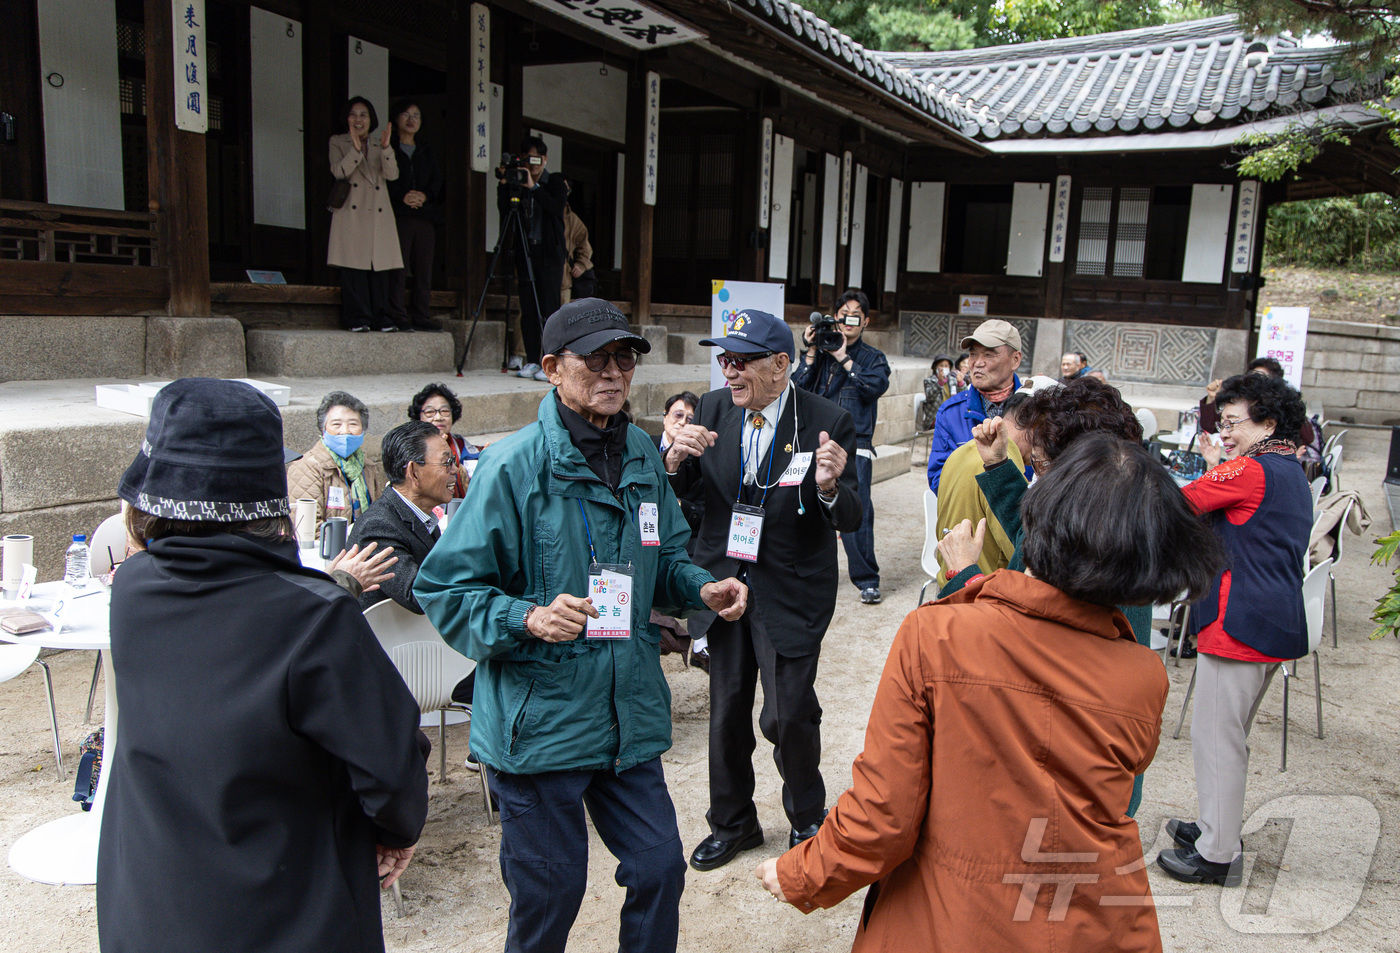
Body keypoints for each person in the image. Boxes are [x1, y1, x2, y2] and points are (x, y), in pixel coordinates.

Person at [756, 434, 1221, 951]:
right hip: (1092, 919)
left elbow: (884, 814)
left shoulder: (936, 635)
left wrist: (801, 873)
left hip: (954, 919)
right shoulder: (1143, 674)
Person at [413, 299, 748, 953]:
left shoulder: (645, 460)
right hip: (540, 726)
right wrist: (527, 616)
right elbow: (444, 588)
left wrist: (700, 585)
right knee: (550, 898)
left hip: (626, 714)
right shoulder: (514, 468)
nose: (613, 370)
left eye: (623, 356)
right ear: (550, 369)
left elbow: (669, 557)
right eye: (594, 357)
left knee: (659, 868)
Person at [97, 379, 429, 953]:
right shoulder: (312, 617)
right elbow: (390, 758)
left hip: (151, 895)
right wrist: (396, 831)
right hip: (284, 907)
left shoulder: (133, 590)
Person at [663, 308, 862, 872]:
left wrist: (827, 488)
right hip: (724, 582)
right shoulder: (713, 408)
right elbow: (695, 488)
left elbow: (850, 514)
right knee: (726, 712)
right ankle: (733, 823)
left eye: (741, 360)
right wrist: (677, 460)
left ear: (781, 364)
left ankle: (806, 816)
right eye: (723, 358)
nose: (728, 370)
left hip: (791, 587)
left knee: (788, 713)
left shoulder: (827, 420)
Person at [1158, 373, 1313, 887]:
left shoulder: (1250, 469)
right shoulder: (1291, 469)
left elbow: (1179, 504)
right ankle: (1211, 827)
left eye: (1232, 423)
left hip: (1240, 620)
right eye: (1221, 422)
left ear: (1268, 422)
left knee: (1216, 739)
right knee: (1229, 735)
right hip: (1272, 617)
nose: (1224, 432)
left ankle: (1218, 854)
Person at [792, 289, 891, 603]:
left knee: (855, 512)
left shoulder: (873, 358)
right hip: (811, 442)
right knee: (801, 508)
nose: (847, 322)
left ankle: (866, 579)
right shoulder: (818, 353)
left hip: (855, 445)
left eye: (854, 316)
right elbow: (795, 389)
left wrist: (843, 357)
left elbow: (872, 388)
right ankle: (803, 576)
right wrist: (810, 353)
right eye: (842, 316)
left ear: (865, 321)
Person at [933, 382, 1045, 578]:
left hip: (951, 577)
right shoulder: (1003, 463)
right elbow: (1019, 552)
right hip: (980, 587)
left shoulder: (963, 450)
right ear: (1037, 425)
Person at [346, 420, 455, 614]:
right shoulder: (378, 526)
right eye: (447, 462)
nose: (455, 470)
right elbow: (420, 595)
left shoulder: (422, 516)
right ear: (413, 472)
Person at [328, 96, 403, 332]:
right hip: (352, 212)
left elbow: (392, 175)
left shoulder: (381, 143)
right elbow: (338, 172)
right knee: (353, 268)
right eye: (353, 114)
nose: (358, 119)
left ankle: (382, 317)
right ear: (346, 118)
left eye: (363, 115)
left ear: (371, 120)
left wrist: (387, 148)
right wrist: (355, 150)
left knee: (379, 268)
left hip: (378, 214)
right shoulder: (338, 141)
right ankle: (357, 318)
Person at [497, 135, 568, 382]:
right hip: (526, 252)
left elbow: (555, 207)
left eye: (538, 158)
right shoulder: (518, 184)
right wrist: (506, 184)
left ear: (545, 159)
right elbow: (505, 211)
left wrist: (534, 188)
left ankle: (549, 361)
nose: (534, 163)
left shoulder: (556, 182)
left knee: (549, 310)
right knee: (527, 307)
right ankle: (530, 359)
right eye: (529, 158)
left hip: (549, 254)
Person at [926, 319, 1023, 492]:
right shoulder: (951, 412)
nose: (977, 362)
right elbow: (939, 479)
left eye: (989, 354)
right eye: (973, 354)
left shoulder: (1034, 410)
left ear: (1015, 360)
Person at [287, 390, 386, 530]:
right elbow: (306, 528)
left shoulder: (366, 466)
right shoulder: (307, 467)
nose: (345, 431)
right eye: (336, 424)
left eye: (353, 424)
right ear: (323, 429)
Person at [386, 98, 444, 332]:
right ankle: (397, 314)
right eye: (406, 115)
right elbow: (386, 179)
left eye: (416, 115)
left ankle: (421, 316)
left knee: (423, 268)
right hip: (398, 215)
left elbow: (437, 181)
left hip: (424, 216)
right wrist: (402, 196)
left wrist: (424, 196)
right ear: (396, 118)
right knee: (397, 269)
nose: (411, 120)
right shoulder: (389, 147)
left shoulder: (426, 149)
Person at [409, 382, 482, 497]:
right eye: (429, 412)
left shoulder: (463, 447)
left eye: (445, 411)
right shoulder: (409, 449)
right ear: (419, 417)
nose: (438, 417)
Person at [561, 179, 595, 304]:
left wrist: (581, 264)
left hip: (563, 279)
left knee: (562, 318)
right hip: (538, 274)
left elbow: (584, 245)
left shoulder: (572, 219)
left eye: (566, 191)